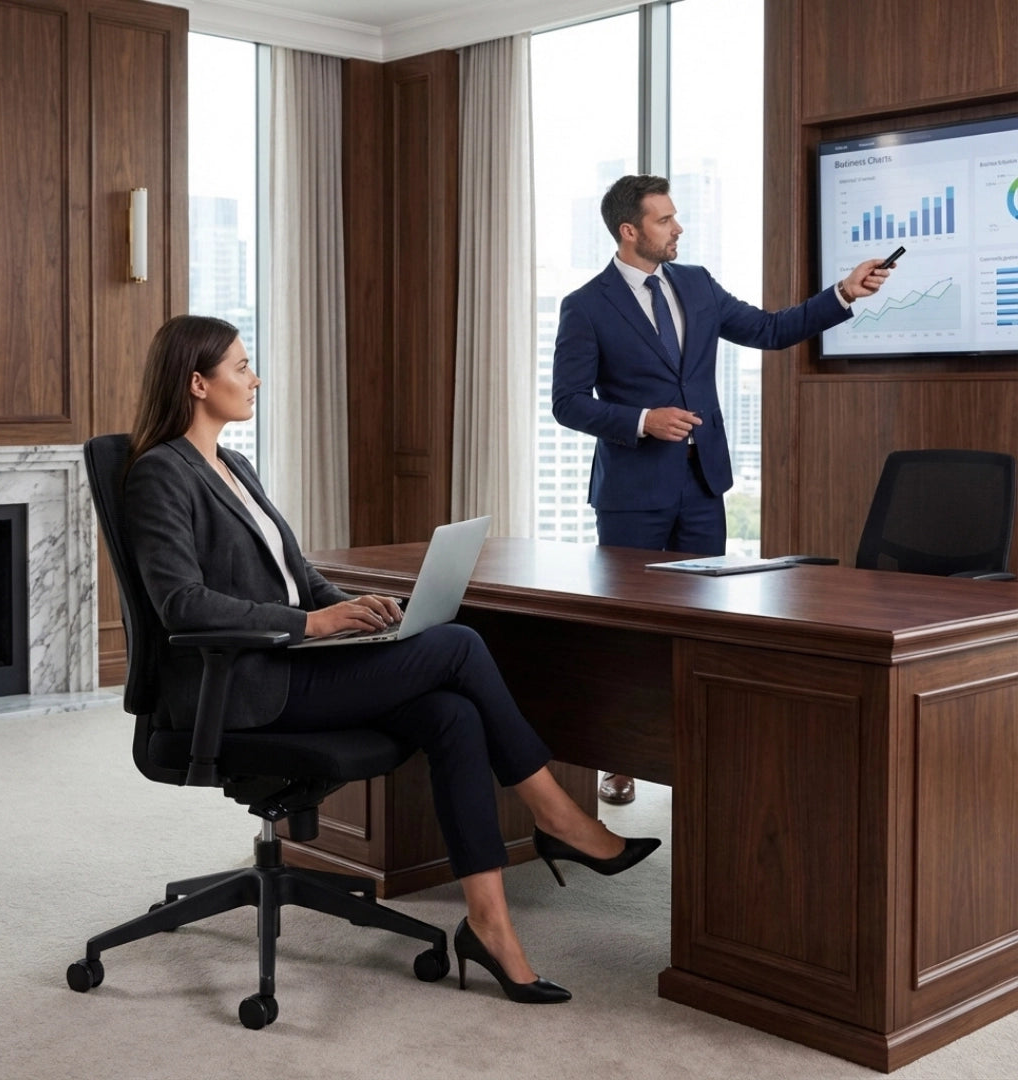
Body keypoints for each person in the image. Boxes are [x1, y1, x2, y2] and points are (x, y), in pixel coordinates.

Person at [122, 314, 661, 1005]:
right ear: (198, 384)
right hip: (239, 687)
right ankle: (560, 819)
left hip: (288, 664)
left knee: (451, 713)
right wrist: (311, 623)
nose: (255, 379)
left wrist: (353, 606)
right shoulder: (159, 474)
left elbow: (294, 574)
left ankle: (490, 924)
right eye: (241, 367)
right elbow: (181, 604)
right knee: (459, 644)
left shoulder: (234, 466)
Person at [551, 174, 892, 806]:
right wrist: (641, 420)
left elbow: (770, 329)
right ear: (629, 231)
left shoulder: (697, 284)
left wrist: (844, 292)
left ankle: (700, 752)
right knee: (629, 631)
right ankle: (619, 755)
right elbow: (567, 402)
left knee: (705, 624)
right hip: (632, 492)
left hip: (702, 483)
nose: (677, 227)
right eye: (664, 219)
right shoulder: (586, 305)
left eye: (674, 217)